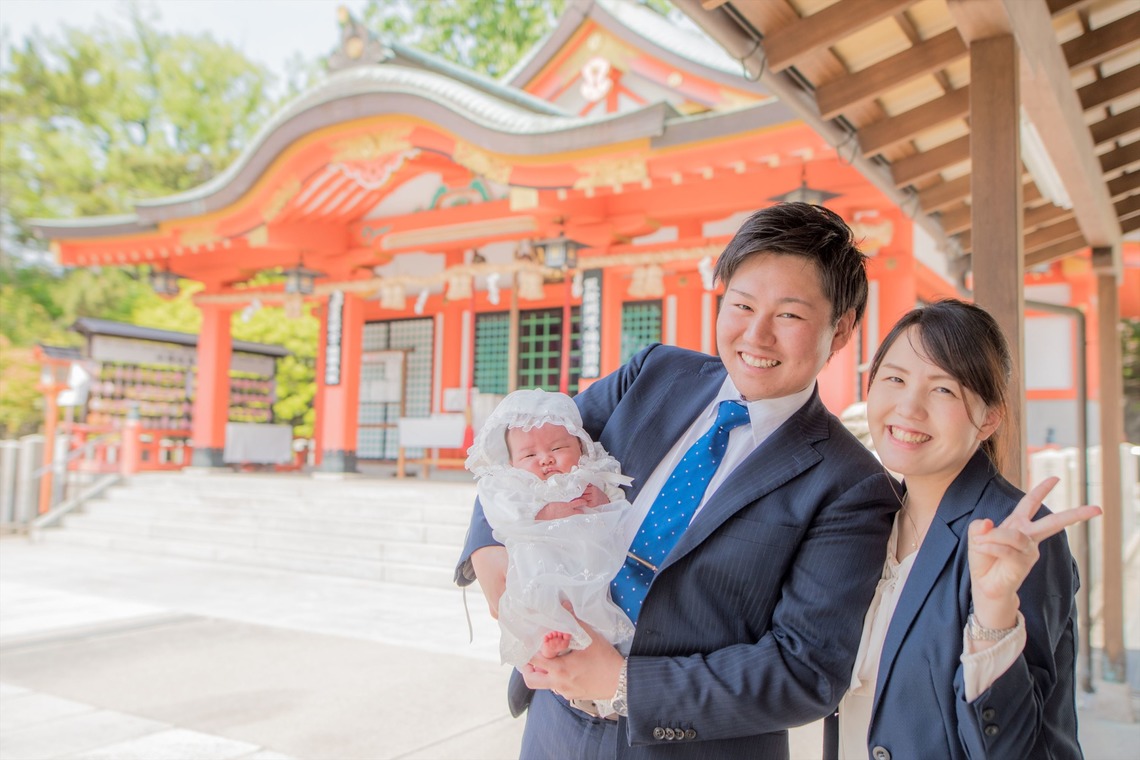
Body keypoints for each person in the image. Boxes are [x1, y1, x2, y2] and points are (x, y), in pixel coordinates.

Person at [455, 202, 899, 758]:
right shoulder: (654, 374)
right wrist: (492, 554)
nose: (755, 336)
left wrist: (622, 685)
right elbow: (519, 443)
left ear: (841, 331)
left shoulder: (851, 485)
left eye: (789, 316)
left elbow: (805, 668)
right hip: (555, 727)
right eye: (741, 305)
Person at [839, 299, 1100, 759]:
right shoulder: (869, 516)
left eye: (942, 390)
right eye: (895, 379)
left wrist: (994, 618)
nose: (909, 407)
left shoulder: (1015, 534)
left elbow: (1014, 748)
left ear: (990, 418)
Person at [465, 388, 636, 677]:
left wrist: (603, 500)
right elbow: (502, 513)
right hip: (540, 554)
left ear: (580, 446)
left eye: (557, 449)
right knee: (537, 595)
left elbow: (622, 506)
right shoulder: (516, 485)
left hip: (588, 559)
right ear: (511, 463)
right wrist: (543, 513)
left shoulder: (590, 474)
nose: (545, 459)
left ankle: (585, 646)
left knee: (592, 599)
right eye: (530, 454)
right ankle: (544, 644)